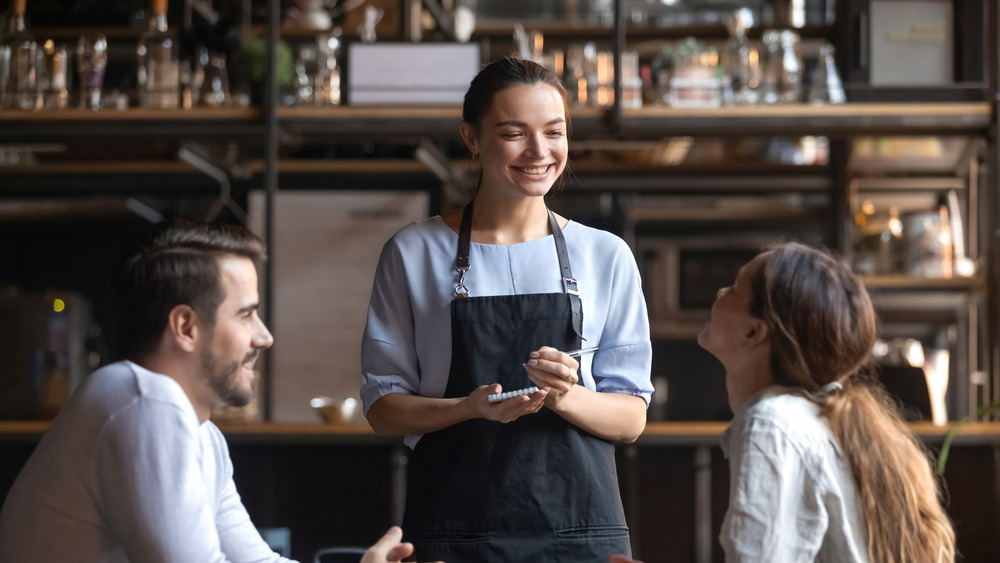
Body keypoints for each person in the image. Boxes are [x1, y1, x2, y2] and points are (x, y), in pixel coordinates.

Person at [360, 56, 654, 561]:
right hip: (453, 530)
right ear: (472, 137)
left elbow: (630, 417)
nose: (539, 152)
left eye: (554, 132)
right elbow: (383, 407)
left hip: (579, 532)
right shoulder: (413, 251)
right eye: (514, 133)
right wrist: (467, 408)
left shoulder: (605, 255)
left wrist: (565, 395)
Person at [0, 219, 418, 563]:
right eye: (247, 315)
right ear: (185, 327)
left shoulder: (200, 433)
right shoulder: (145, 402)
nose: (265, 336)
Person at [615, 242, 956, 562]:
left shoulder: (770, 424)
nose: (720, 292)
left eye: (734, 289)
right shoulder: (809, 416)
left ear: (754, 332)